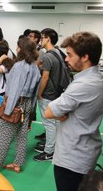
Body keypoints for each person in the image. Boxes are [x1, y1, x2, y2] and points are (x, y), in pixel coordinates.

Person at [44, 31, 103, 191]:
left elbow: (49, 112)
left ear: (85, 57)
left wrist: (60, 113)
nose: (66, 59)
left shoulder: (83, 85)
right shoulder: (97, 78)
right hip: (83, 152)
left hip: (72, 159)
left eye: (70, 55)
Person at [0, 38, 41, 173]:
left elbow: (15, 90)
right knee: (21, 135)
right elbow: (36, 92)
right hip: (27, 104)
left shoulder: (19, 66)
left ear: (22, 49)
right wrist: (31, 111)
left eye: (18, 47)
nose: (16, 49)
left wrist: (8, 110)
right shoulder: (34, 66)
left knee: (2, 135)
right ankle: (17, 163)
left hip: (15, 104)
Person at [34, 28, 63, 162]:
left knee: (49, 123)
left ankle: (49, 151)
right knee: (55, 122)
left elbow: (45, 78)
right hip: (56, 92)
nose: (40, 40)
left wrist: (39, 93)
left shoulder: (47, 56)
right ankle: (54, 146)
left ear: (48, 39)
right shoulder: (57, 53)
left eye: (42, 38)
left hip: (47, 93)